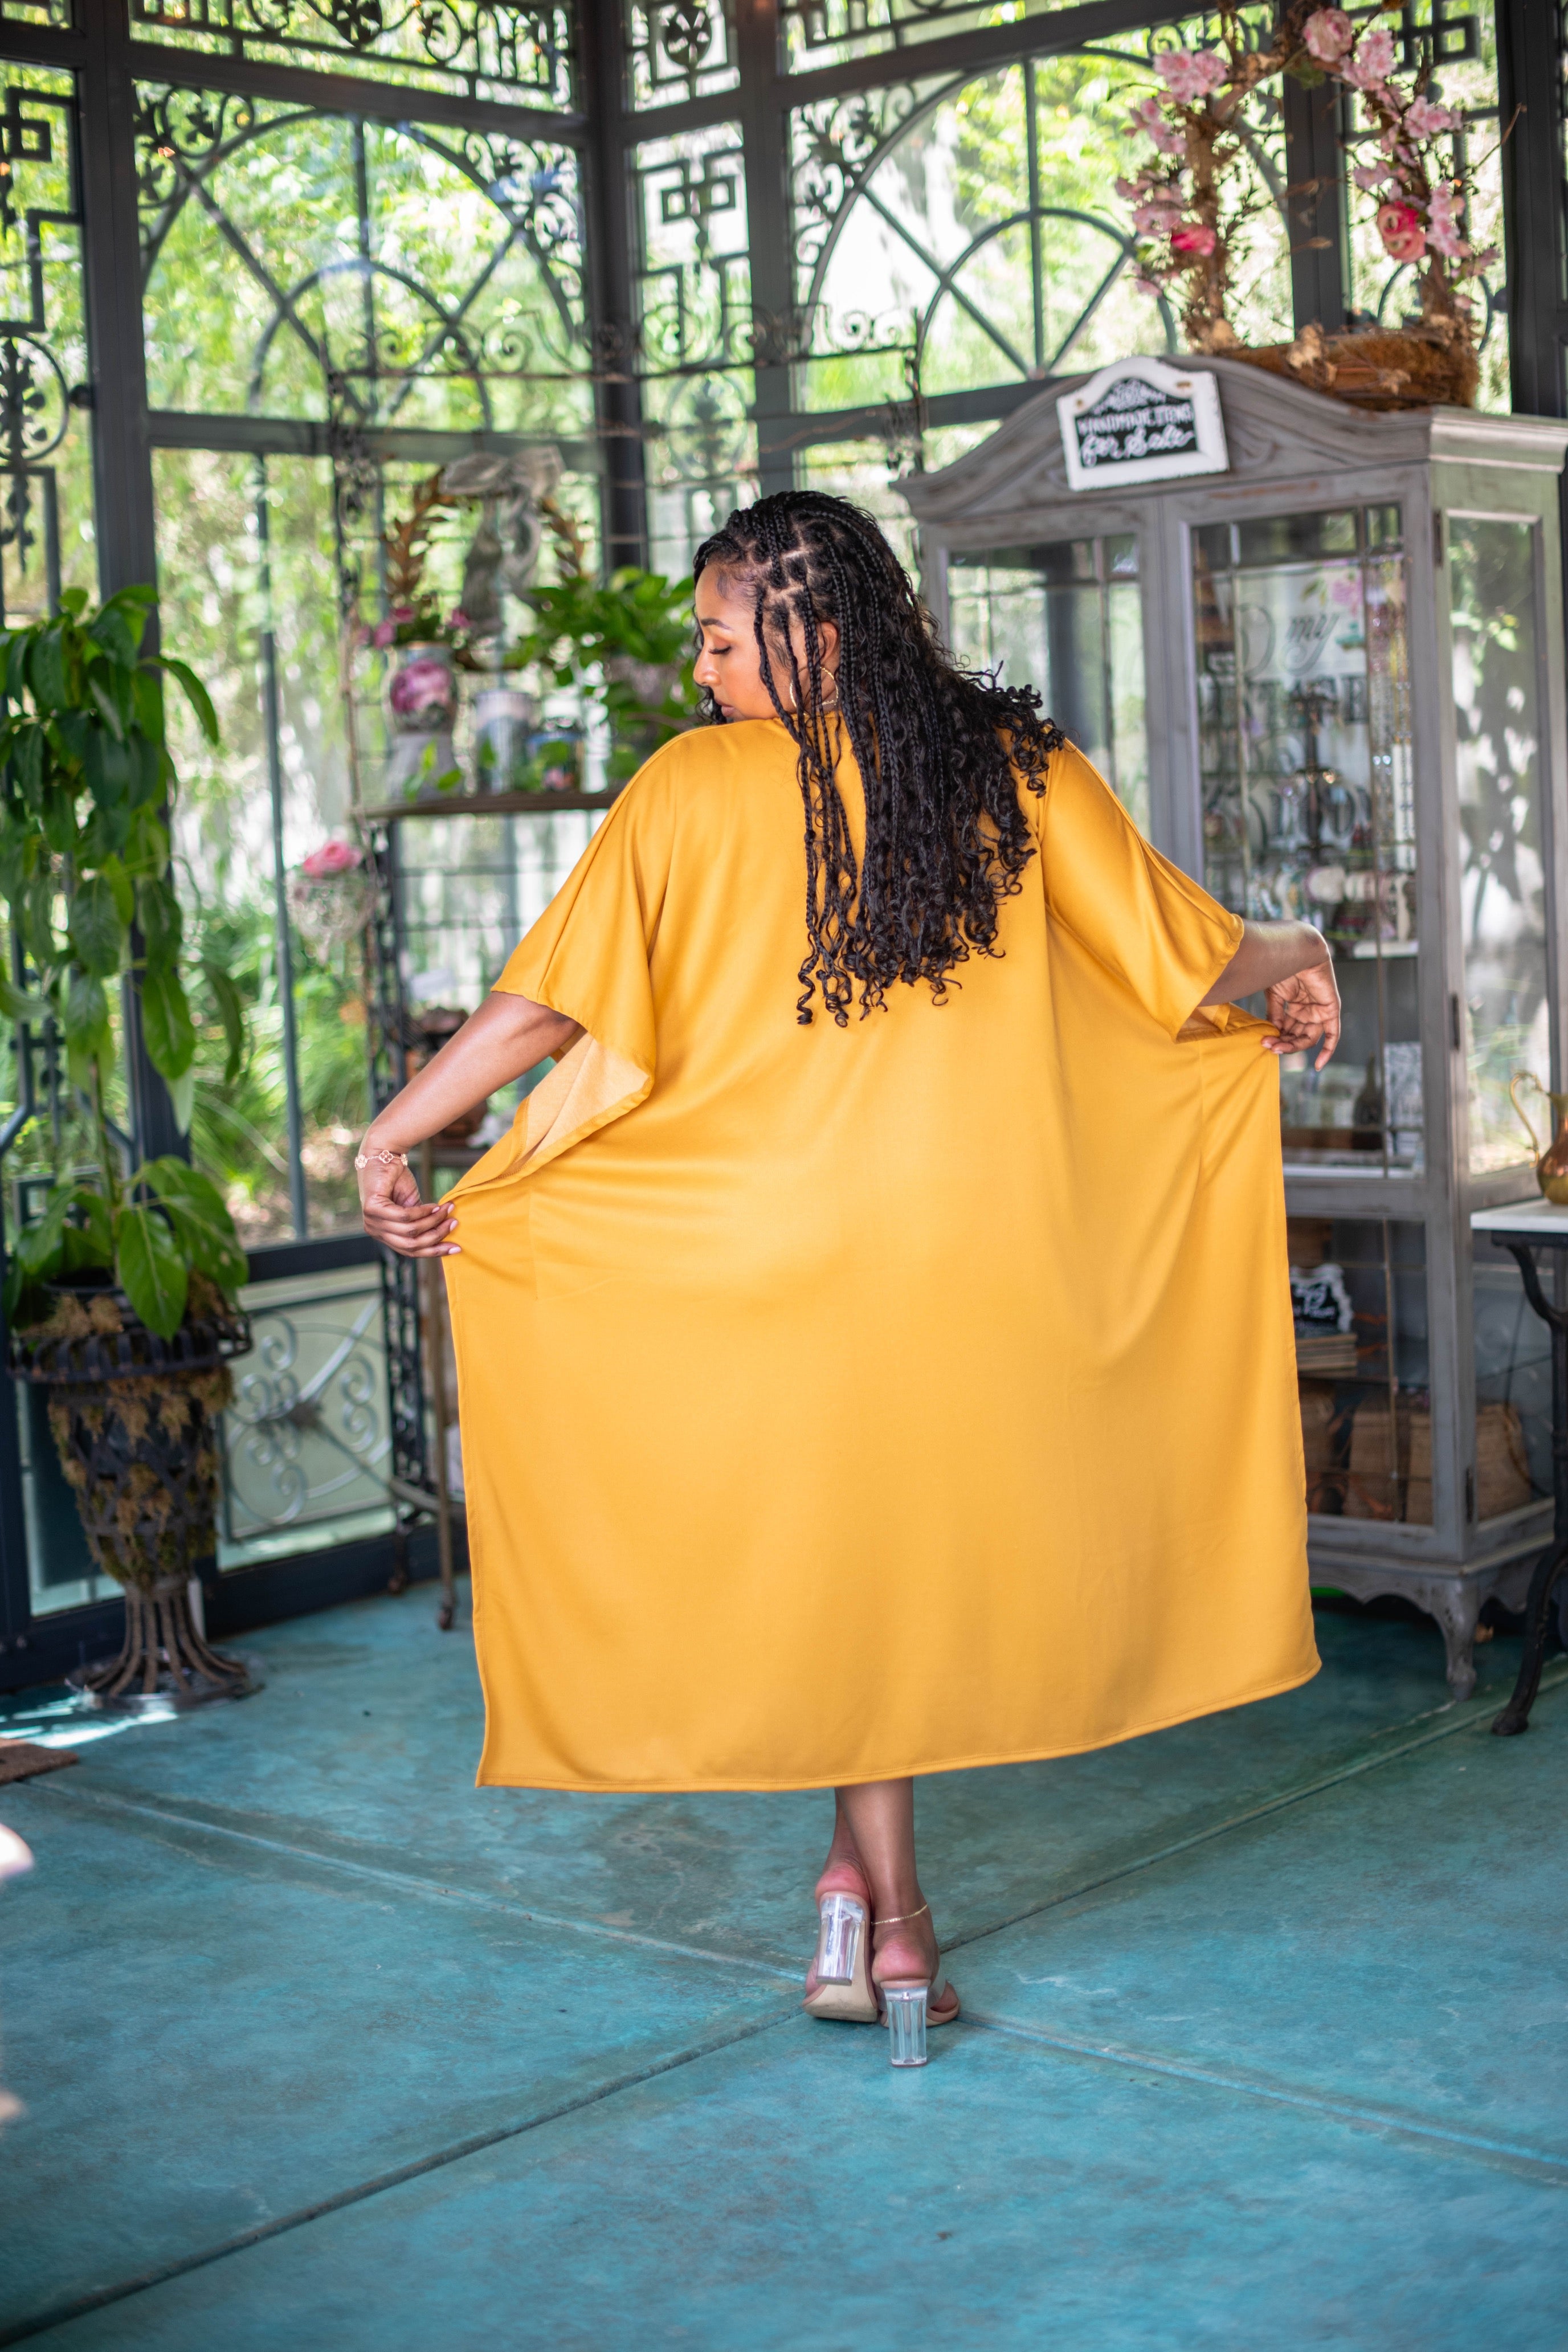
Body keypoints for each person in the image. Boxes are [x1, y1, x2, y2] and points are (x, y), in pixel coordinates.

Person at [357, 492, 1340, 2064]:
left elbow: (547, 1009)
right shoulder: (1013, 769)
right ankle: (873, 1904)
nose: (699, 674)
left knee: (847, 1577)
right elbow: (1189, 954)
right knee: (875, 1581)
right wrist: (1302, 949)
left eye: (719, 641)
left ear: (813, 633)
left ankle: (880, 1917)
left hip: (759, 1269)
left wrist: (394, 1134)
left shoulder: (687, 793)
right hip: (966, 1266)